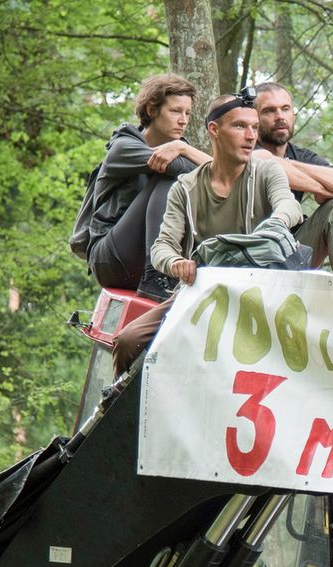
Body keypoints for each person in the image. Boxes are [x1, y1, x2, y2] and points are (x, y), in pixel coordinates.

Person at [110, 92, 304, 374]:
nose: (251, 136)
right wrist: (176, 264)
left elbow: (289, 205)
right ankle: (126, 410)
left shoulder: (266, 170)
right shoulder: (185, 187)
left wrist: (276, 223)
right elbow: (162, 247)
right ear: (214, 130)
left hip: (260, 289)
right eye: (240, 126)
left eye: (254, 128)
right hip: (202, 290)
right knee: (128, 340)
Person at [85, 74, 210, 295]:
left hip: (149, 255)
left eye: (187, 113)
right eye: (175, 111)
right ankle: (156, 274)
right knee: (173, 179)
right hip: (110, 258)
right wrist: (185, 154)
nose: (184, 120)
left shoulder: (182, 150)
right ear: (152, 110)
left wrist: (184, 149)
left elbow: (222, 176)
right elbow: (203, 170)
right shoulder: (124, 147)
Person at [252, 82, 333, 280]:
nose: (280, 117)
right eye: (269, 111)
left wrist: (290, 166)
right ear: (255, 117)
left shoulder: (301, 155)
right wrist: (319, 186)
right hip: (253, 257)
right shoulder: (246, 150)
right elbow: (263, 162)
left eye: (285, 109)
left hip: (295, 250)